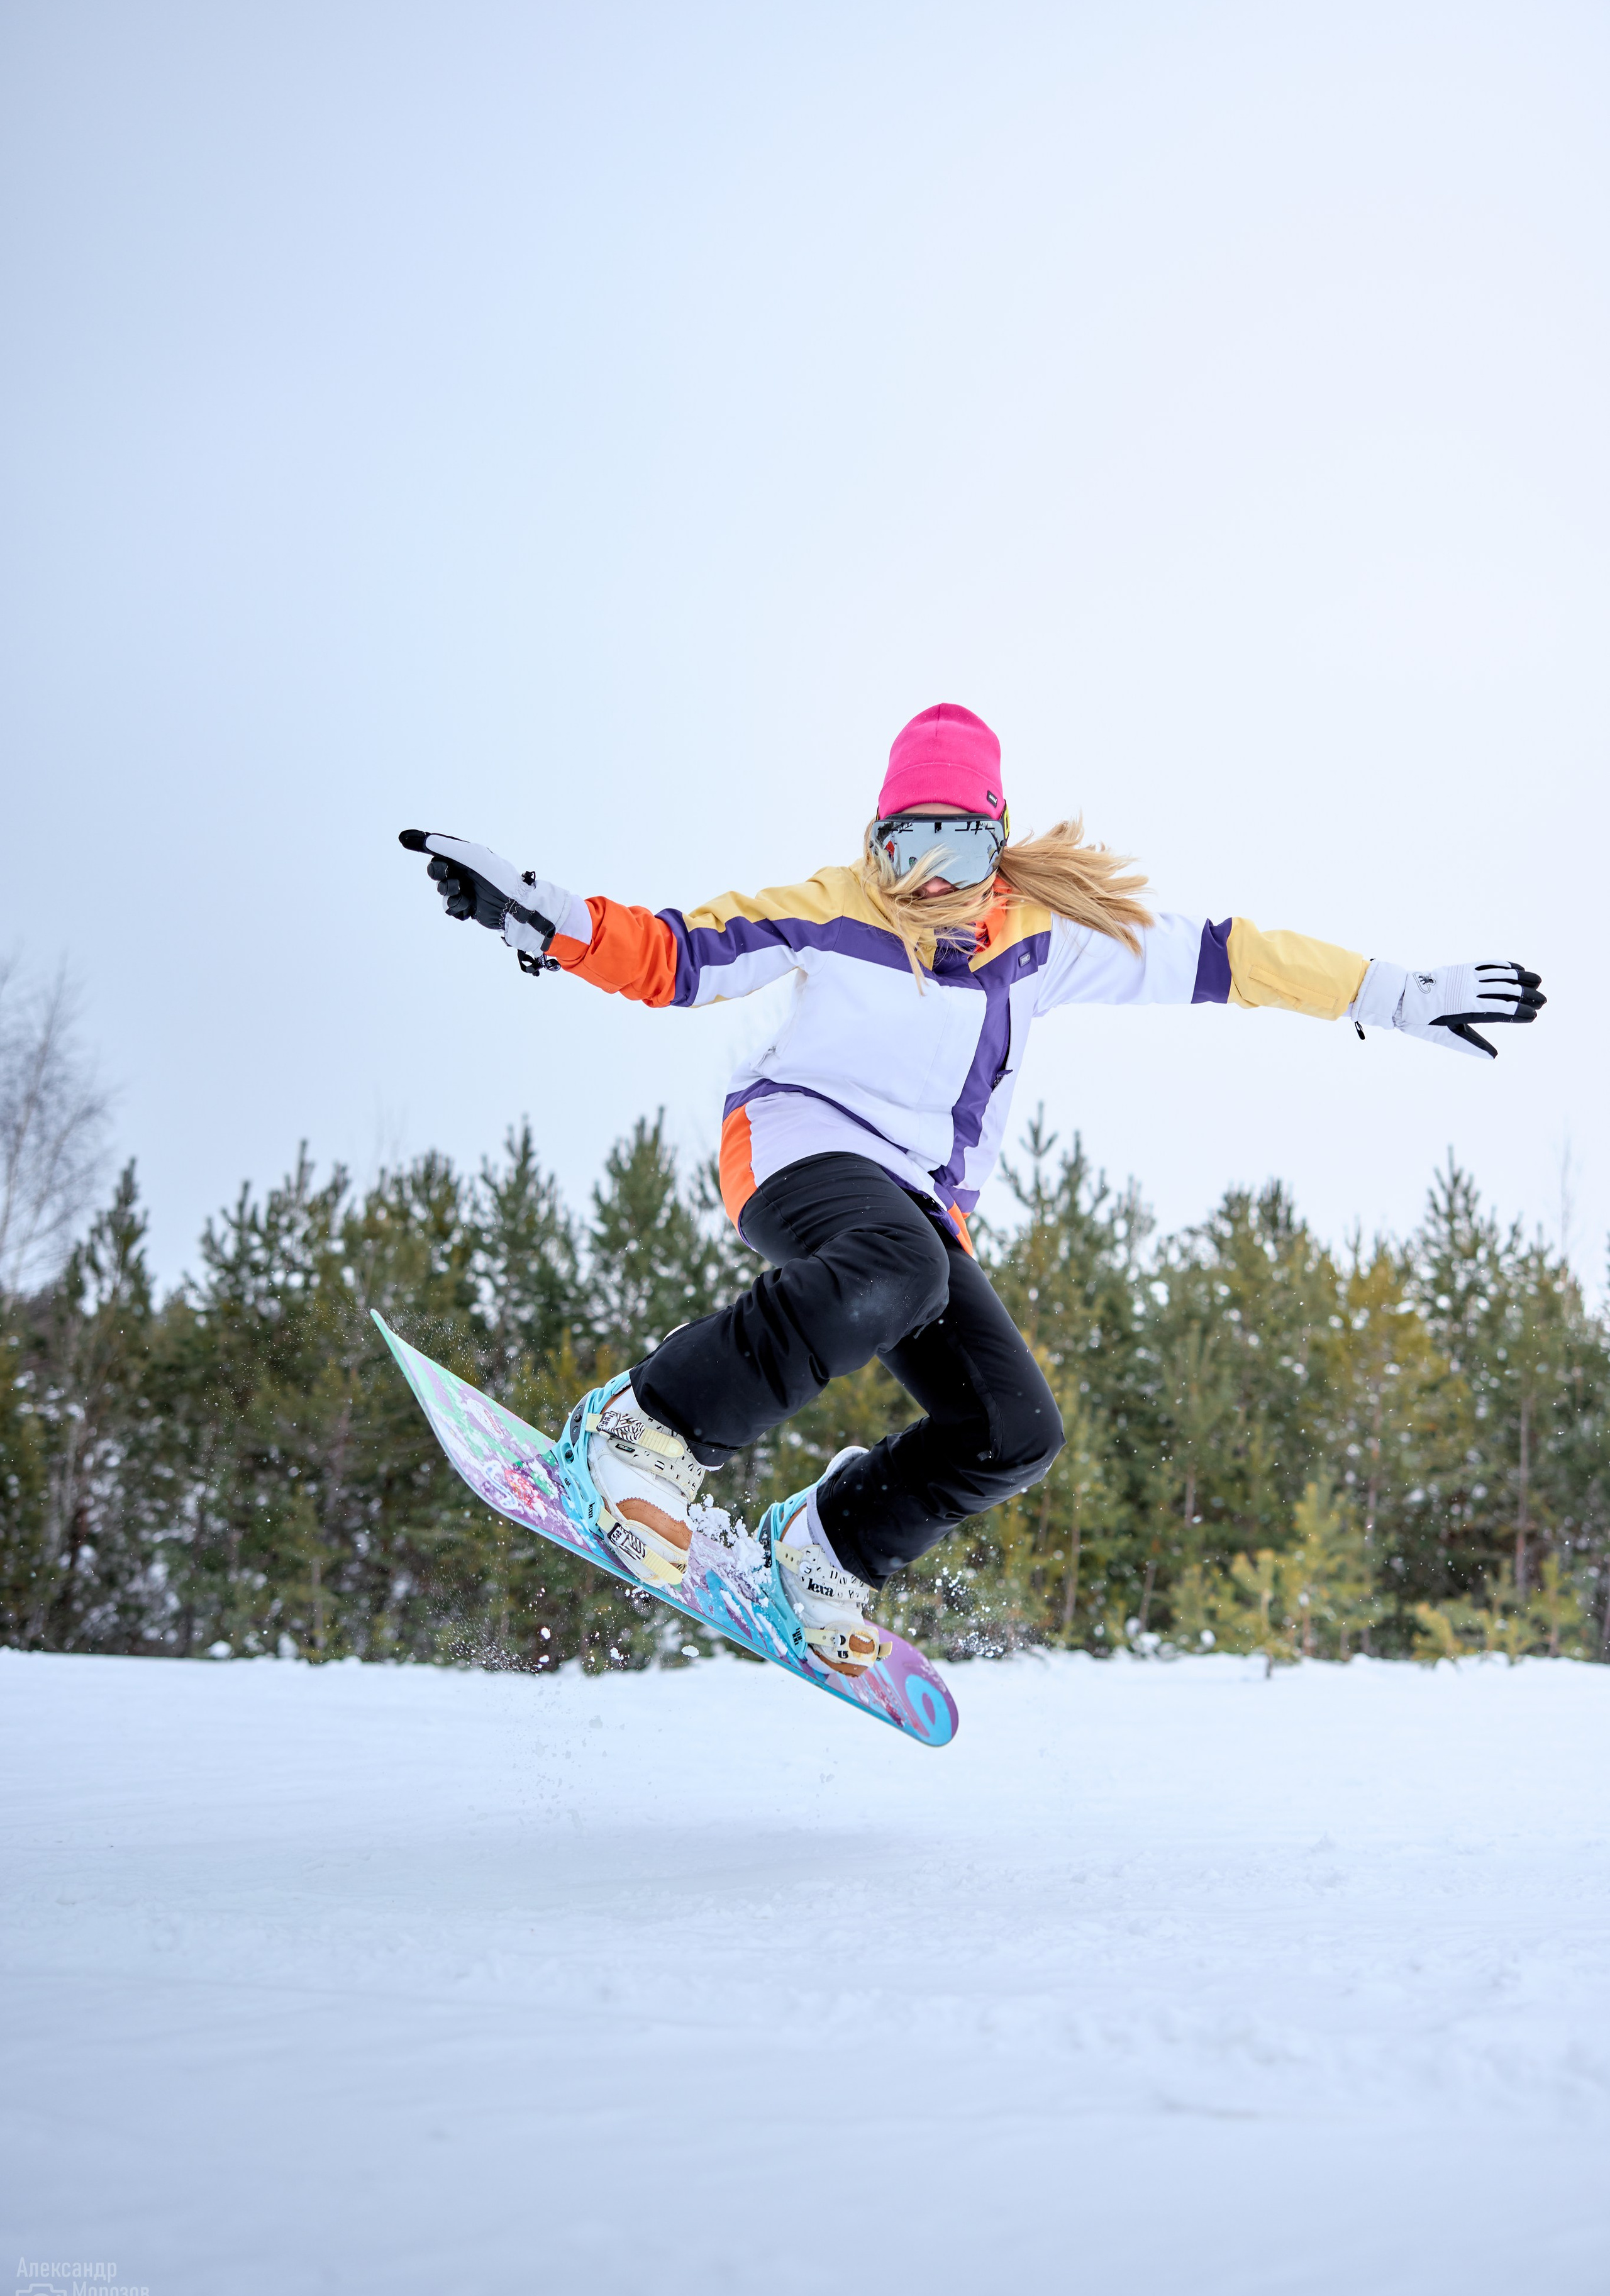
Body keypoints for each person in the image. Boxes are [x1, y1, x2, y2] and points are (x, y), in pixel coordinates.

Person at [401, 702, 1545, 1677]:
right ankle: (644, 1429)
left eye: (957, 847)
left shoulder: (1045, 939)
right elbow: (672, 954)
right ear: (877, 838)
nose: (930, 878)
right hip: (797, 1147)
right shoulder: (834, 907)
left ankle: (825, 1553)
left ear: (996, 843)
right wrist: (549, 920)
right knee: (889, 1272)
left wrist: (1395, 993)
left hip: (917, 1210)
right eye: (908, 847)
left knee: (1012, 1431)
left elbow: (1234, 955)